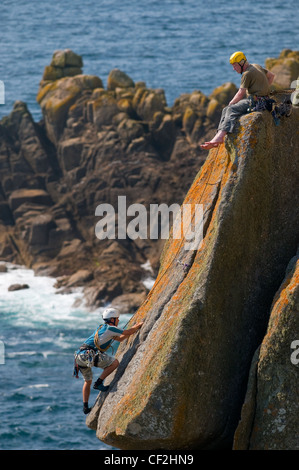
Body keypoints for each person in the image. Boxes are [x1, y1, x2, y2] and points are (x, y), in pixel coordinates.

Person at [74, 307, 143, 414]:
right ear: (112, 319)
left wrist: (130, 331)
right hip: (89, 354)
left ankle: (85, 406)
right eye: (117, 318)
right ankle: (99, 383)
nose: (118, 320)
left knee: (87, 381)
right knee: (114, 363)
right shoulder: (111, 328)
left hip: (79, 355)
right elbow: (128, 331)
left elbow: (120, 338)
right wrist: (137, 326)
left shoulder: (102, 328)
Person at [200, 51, 275, 150]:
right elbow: (271, 76)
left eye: (235, 66)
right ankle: (219, 135)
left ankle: (219, 137)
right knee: (225, 110)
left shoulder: (247, 74)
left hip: (256, 102)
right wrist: (264, 89)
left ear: (241, 63)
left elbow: (241, 92)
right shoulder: (256, 66)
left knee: (230, 109)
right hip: (265, 100)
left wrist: (231, 103)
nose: (234, 69)